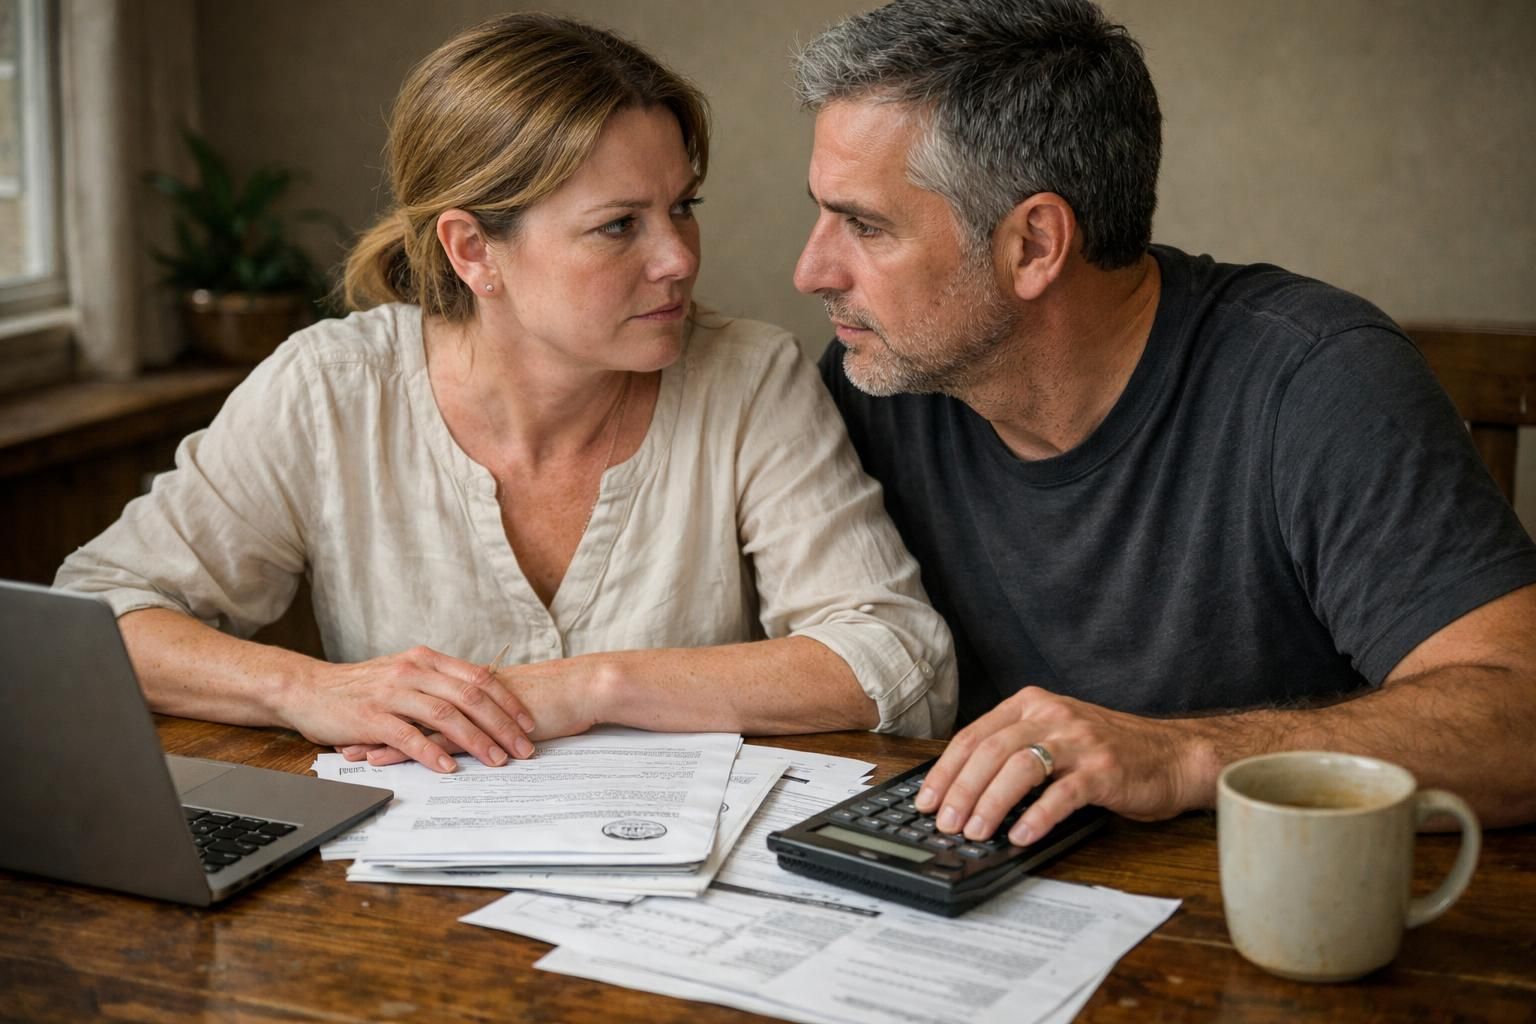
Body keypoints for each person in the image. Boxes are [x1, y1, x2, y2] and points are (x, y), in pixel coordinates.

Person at [56, 13, 955, 772]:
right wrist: (311, 688)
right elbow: (97, 617)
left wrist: (592, 686)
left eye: (684, 206)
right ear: (472, 250)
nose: (678, 257)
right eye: (618, 227)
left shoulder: (749, 377)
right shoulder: (330, 388)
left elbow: (895, 654)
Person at [793, 0, 1536, 847]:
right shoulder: (877, 377)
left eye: (864, 225)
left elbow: (1521, 714)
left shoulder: (1314, 379)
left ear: (1035, 244)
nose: (811, 268)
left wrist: (1182, 756)